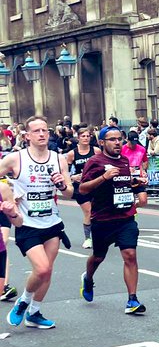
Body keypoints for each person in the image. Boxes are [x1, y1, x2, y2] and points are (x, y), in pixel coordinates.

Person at [0, 115, 73, 329]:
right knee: (41, 269)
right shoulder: (16, 159)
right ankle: (23, 302)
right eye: (37, 131)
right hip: (27, 224)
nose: (42, 134)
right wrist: (8, 195)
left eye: (45, 130)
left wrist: (61, 185)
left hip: (52, 222)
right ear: (27, 135)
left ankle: (34, 312)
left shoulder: (58, 159)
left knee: (47, 270)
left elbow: (70, 192)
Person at [78, 125, 147, 314]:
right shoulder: (95, 161)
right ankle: (88, 278)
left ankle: (132, 300)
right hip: (103, 219)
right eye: (112, 139)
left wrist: (137, 184)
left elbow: (125, 185)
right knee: (98, 257)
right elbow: (83, 189)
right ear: (102, 142)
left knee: (130, 256)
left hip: (125, 218)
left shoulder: (125, 160)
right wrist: (104, 177)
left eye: (120, 139)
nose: (118, 143)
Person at [66, 125, 99, 249]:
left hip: (95, 185)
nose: (86, 138)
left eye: (88, 136)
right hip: (81, 187)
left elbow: (102, 166)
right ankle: (88, 239)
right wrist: (73, 177)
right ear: (78, 138)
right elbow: (66, 172)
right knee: (88, 211)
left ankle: (98, 235)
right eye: (83, 136)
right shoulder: (72, 154)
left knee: (97, 212)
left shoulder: (96, 151)